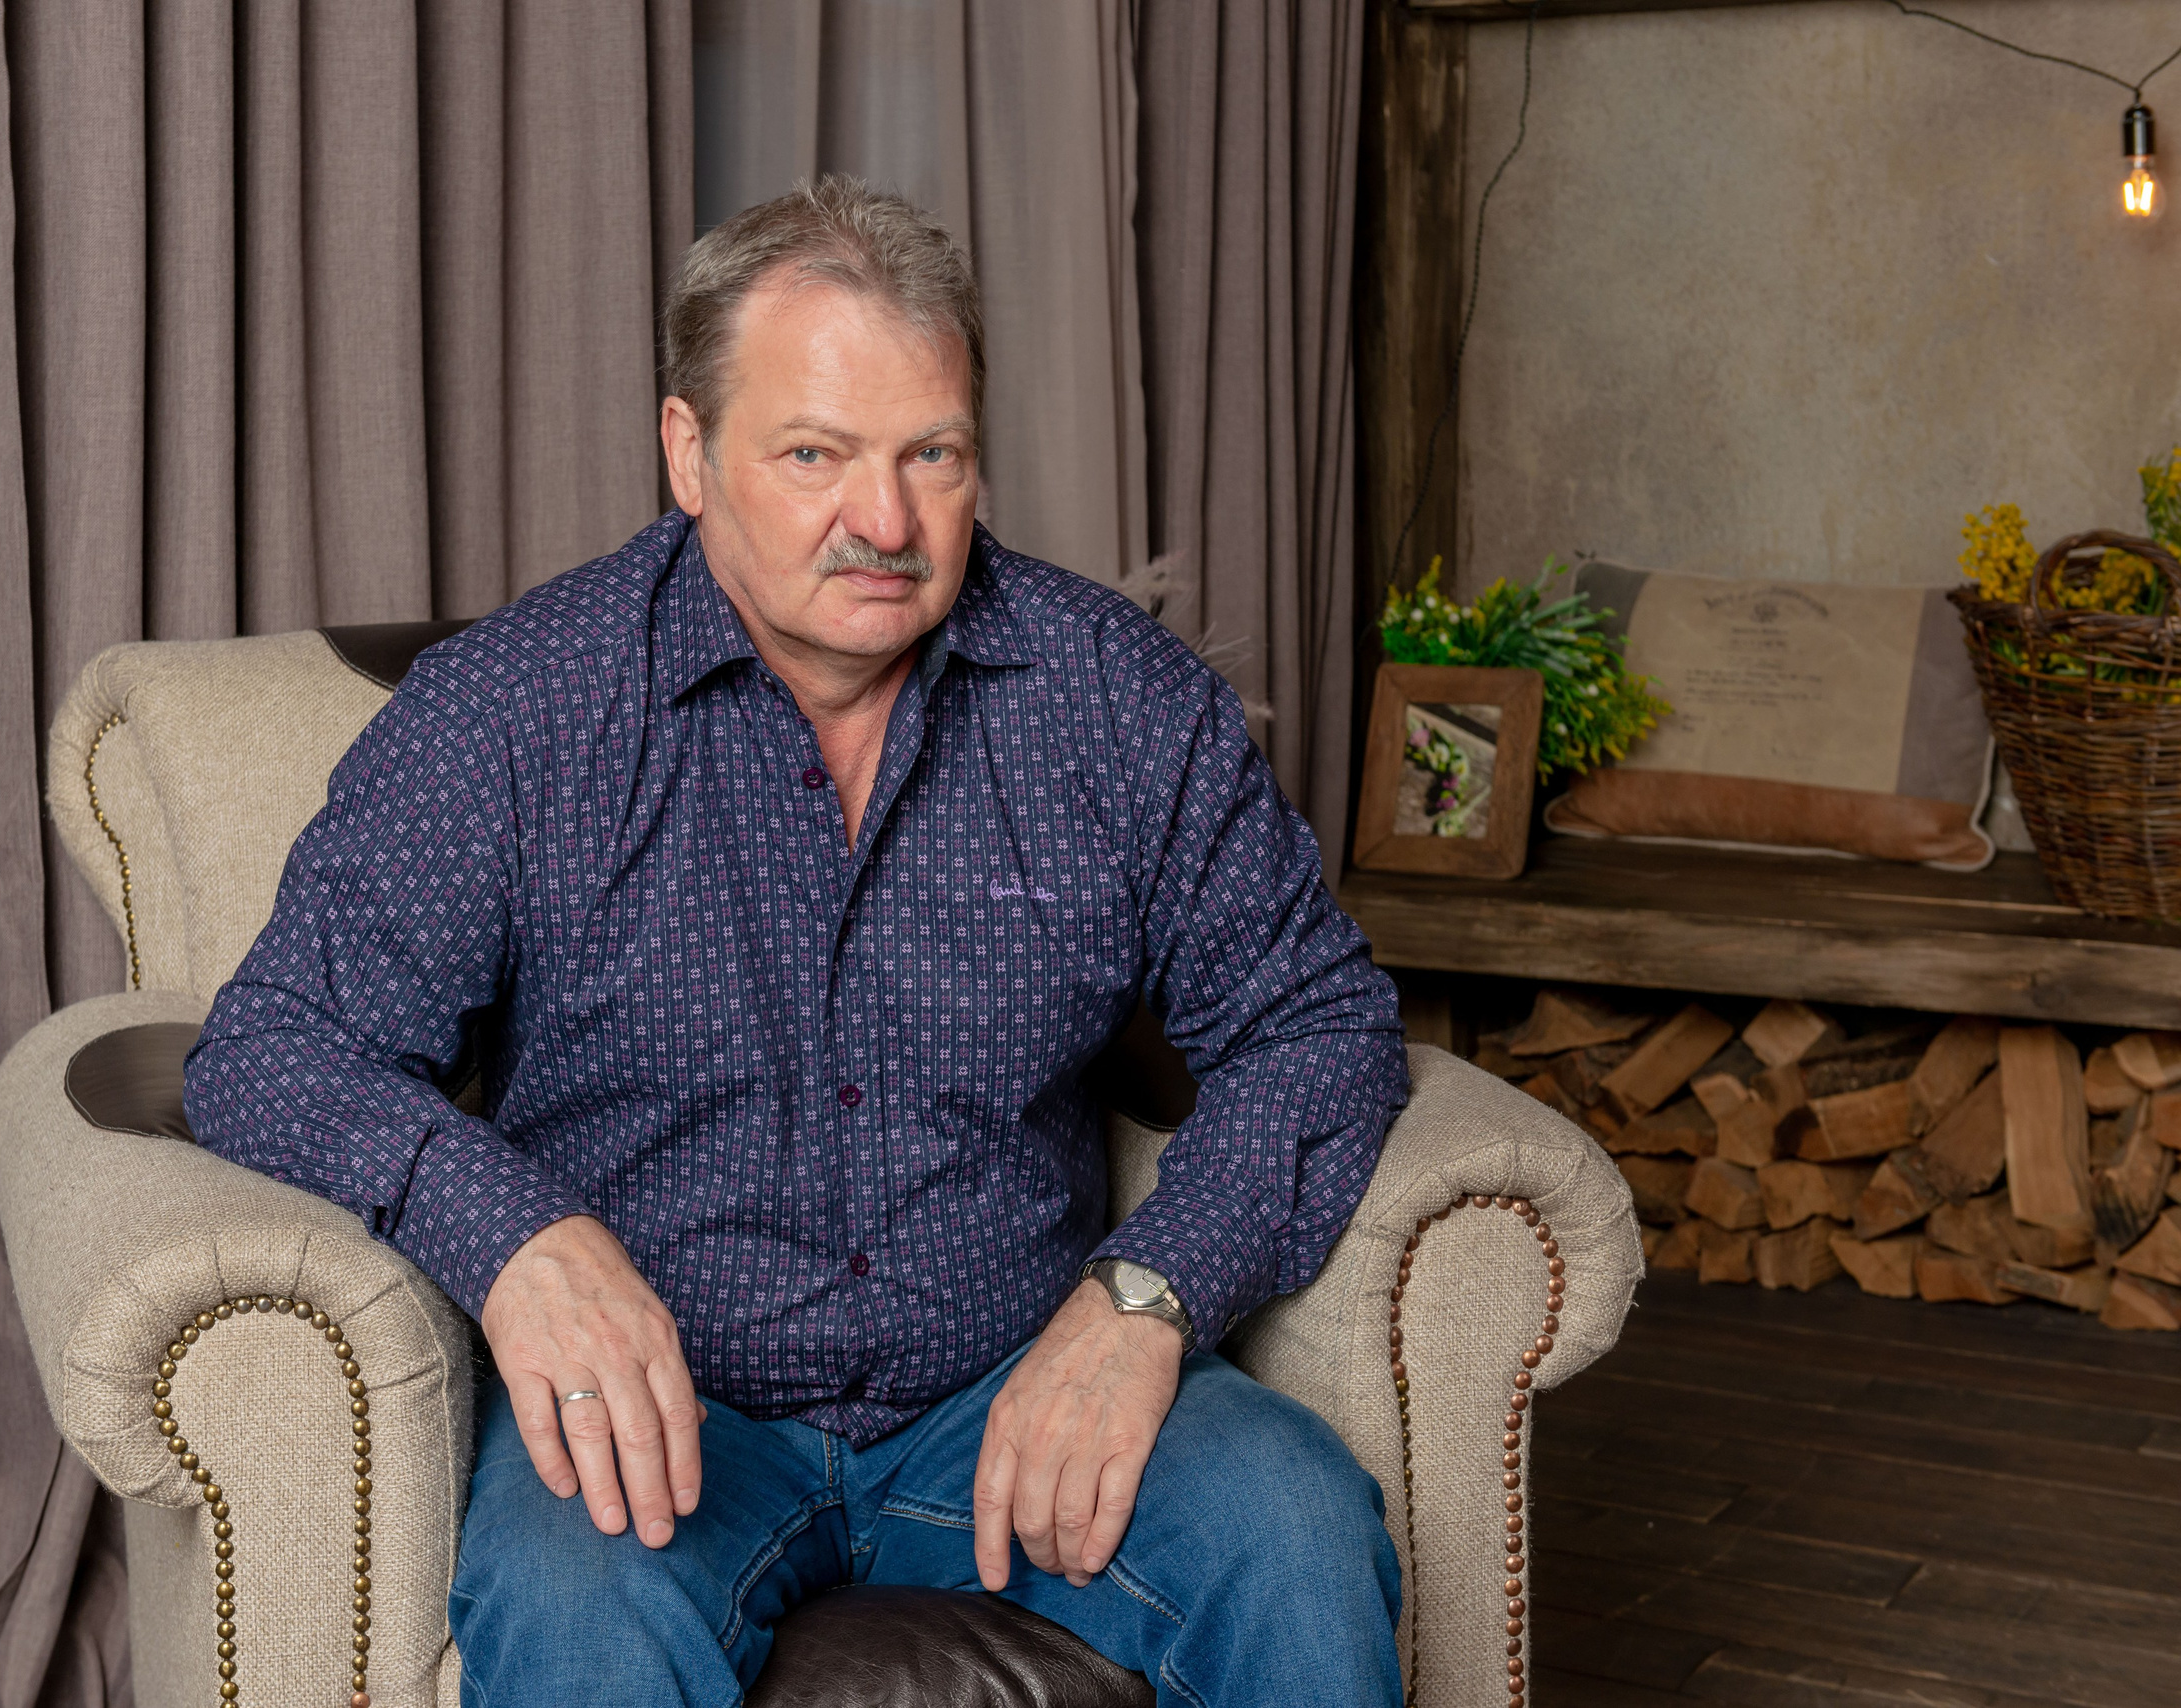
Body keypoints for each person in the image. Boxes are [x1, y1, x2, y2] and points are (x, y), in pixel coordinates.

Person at [185, 176, 1411, 1708]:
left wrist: (1147, 1298)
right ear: (689, 454)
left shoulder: (1113, 699)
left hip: (1012, 1378)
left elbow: (1319, 1023)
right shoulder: (516, 717)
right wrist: (513, 1238)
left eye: (933, 457)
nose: (886, 524)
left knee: (1296, 1525)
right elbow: (271, 1045)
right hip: (669, 1425)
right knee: (573, 1608)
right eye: (816, 455)